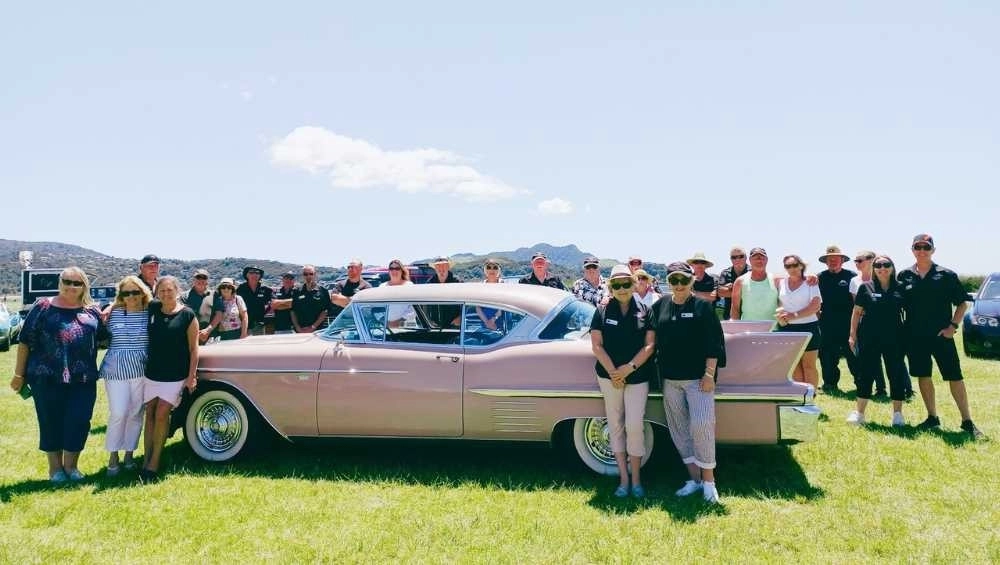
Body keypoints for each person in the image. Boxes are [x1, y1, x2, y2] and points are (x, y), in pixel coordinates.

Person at [10, 267, 105, 483]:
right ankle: (55, 469)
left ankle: (71, 467)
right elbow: (25, 341)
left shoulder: (92, 312)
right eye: (67, 281)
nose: (72, 286)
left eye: (77, 283)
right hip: (46, 377)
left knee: (79, 420)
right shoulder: (43, 306)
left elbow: (104, 338)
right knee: (50, 420)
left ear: (84, 286)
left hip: (83, 379)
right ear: (60, 282)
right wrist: (18, 374)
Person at [648, 262, 725, 503]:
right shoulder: (659, 305)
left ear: (691, 281)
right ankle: (694, 480)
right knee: (680, 431)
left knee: (702, 426)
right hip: (670, 380)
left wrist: (709, 374)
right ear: (668, 282)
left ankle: (709, 483)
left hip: (698, 380)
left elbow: (714, 342)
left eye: (683, 280)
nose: (679, 285)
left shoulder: (702, 306)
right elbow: (644, 328)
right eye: (673, 280)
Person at [898, 234, 984, 439]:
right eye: (917, 247)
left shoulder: (946, 275)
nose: (921, 250)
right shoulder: (904, 276)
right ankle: (932, 418)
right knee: (923, 375)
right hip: (915, 337)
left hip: (941, 336)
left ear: (933, 250)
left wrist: (952, 327)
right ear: (912, 250)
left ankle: (967, 421)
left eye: (926, 247)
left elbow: (962, 303)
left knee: (954, 376)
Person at [590, 265, 656, 498]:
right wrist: (614, 373)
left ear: (634, 284)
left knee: (635, 425)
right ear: (611, 288)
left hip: (637, 376)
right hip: (609, 378)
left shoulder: (646, 311)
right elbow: (596, 346)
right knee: (615, 425)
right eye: (616, 285)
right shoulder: (602, 311)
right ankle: (624, 480)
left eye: (626, 284)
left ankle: (637, 480)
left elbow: (650, 345)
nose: (621, 289)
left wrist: (627, 369)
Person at [142, 276, 198, 482]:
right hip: (152, 372)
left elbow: (194, 349)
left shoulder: (187, 315)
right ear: (157, 293)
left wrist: (191, 376)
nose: (166, 294)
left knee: (162, 414)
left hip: (175, 374)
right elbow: (127, 300)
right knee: (150, 413)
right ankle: (145, 458)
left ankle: (155, 462)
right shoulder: (153, 309)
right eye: (162, 290)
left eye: (169, 290)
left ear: (177, 291)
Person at [847, 255, 909, 426]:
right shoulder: (865, 287)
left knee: (895, 374)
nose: (882, 268)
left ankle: (897, 415)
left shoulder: (901, 288)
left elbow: (910, 312)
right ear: (873, 268)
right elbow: (856, 312)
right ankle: (859, 413)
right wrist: (852, 335)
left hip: (895, 338)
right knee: (865, 374)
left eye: (886, 264)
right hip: (869, 337)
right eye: (878, 265)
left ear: (892, 267)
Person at [99, 275, 152, 476]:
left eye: (135, 292)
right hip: (116, 369)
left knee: (136, 413)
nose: (131, 296)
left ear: (142, 293)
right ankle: (113, 456)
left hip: (141, 368)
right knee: (118, 412)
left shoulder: (150, 312)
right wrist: (109, 307)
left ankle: (129, 454)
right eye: (126, 293)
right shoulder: (114, 312)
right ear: (120, 295)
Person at [775, 255, 823, 387]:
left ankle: (811, 398)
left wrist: (793, 315)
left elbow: (815, 306)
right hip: (786, 328)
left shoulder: (810, 282)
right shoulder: (781, 282)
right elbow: (779, 303)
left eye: (795, 265)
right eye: (788, 266)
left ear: (801, 266)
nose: (792, 269)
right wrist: (781, 315)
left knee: (809, 366)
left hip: (809, 328)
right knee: (793, 365)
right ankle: (801, 396)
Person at [817, 245, 859, 394]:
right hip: (827, 323)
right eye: (830, 259)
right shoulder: (819, 278)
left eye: (836, 259)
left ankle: (860, 383)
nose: (833, 261)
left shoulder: (852, 276)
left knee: (853, 354)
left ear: (842, 260)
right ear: (826, 262)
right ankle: (829, 383)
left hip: (848, 323)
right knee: (827, 355)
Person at [850, 251, 889, 397]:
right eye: (856, 261)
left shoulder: (884, 276)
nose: (858, 263)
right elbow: (856, 305)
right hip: (865, 324)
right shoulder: (855, 281)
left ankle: (905, 388)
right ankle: (878, 388)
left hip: (888, 325)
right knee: (871, 358)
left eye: (861, 260)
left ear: (871, 260)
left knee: (894, 360)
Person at [730, 247, 778, 324]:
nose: (759, 260)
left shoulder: (776, 280)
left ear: (767, 260)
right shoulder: (740, 281)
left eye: (762, 257)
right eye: (755, 258)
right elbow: (735, 309)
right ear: (750, 260)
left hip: (772, 331)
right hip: (748, 330)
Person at [181, 269, 221, 344]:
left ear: (207, 281)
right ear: (193, 280)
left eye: (204, 278)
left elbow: (219, 314)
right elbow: (181, 317)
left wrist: (207, 330)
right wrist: (195, 333)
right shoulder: (184, 296)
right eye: (198, 278)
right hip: (190, 337)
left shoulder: (214, 295)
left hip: (210, 337)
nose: (201, 280)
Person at [291, 265, 333, 333]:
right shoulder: (296, 291)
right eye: (305, 274)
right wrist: (298, 328)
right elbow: (293, 311)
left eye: (311, 274)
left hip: (318, 330)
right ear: (303, 276)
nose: (308, 276)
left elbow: (325, 311)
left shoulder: (323, 291)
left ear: (315, 275)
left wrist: (313, 327)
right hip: (300, 330)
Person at [236, 266, 273, 336]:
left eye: (257, 273)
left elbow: (273, 302)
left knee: (259, 345)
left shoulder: (265, 289)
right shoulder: (241, 289)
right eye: (251, 272)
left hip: (260, 324)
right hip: (245, 324)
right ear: (247, 275)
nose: (254, 275)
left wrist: (265, 311)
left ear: (260, 276)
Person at [426, 256, 462, 327]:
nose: (441, 268)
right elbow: (423, 304)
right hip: (434, 326)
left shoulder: (457, 283)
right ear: (435, 268)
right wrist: (428, 320)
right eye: (438, 266)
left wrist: (460, 317)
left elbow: (468, 302)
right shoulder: (429, 284)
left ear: (448, 267)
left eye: (444, 266)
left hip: (455, 325)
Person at [716, 247, 749, 320]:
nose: (737, 259)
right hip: (729, 316)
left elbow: (755, 292)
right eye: (734, 257)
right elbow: (720, 292)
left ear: (746, 257)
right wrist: (745, 290)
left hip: (748, 316)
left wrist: (732, 287)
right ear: (731, 259)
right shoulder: (725, 273)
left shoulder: (752, 271)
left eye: (741, 256)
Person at [476, 259, 504, 329]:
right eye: (488, 267)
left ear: (498, 270)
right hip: (485, 320)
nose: (492, 270)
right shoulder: (481, 286)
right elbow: (478, 307)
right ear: (485, 270)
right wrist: (486, 322)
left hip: (501, 319)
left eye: (495, 267)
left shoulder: (503, 284)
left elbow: (503, 307)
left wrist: (493, 320)